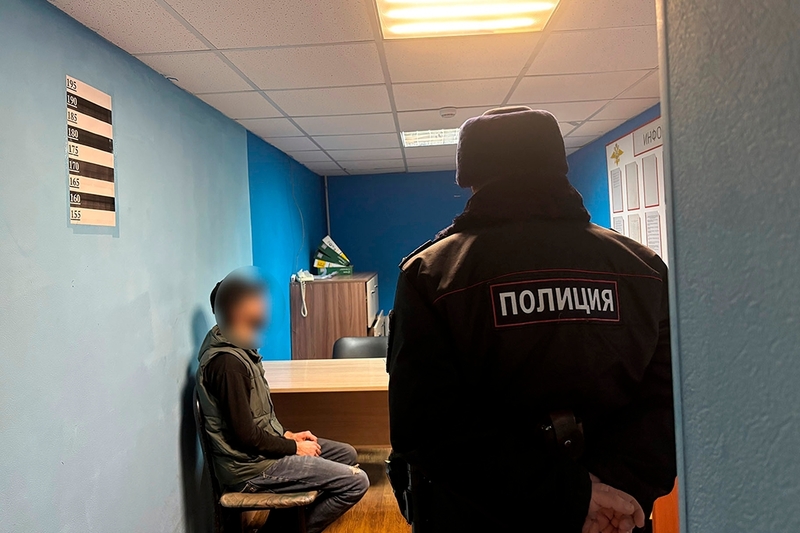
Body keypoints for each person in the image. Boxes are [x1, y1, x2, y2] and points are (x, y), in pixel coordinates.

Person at [387, 107, 676, 533]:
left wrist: (573, 499)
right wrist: (608, 496)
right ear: (558, 166)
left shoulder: (430, 274)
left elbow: (426, 426)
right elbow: (670, 402)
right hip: (616, 518)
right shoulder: (644, 268)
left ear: (471, 177)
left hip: (479, 517)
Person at [195, 269, 369, 533]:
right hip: (251, 469)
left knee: (346, 454)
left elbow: (256, 419)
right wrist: (293, 448)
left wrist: (287, 435)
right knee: (357, 482)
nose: (264, 305)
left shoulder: (242, 349)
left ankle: (282, 523)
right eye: (256, 300)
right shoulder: (228, 364)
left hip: (257, 455)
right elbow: (245, 436)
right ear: (238, 311)